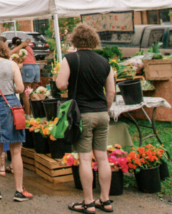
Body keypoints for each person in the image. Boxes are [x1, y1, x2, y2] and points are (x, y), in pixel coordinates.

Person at [56, 24, 115, 213]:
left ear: (75, 40)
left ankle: (88, 202)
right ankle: (105, 200)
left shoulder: (71, 58)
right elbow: (111, 91)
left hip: (82, 114)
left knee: (84, 159)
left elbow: (61, 85)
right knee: (102, 158)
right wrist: (104, 109)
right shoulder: (104, 62)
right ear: (93, 40)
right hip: (101, 114)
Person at [0, 39, 33, 202]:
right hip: (11, 104)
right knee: (16, 150)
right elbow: (20, 88)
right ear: (4, 50)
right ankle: (18, 190)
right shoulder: (12, 64)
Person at [10, 37, 40, 113]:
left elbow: (13, 57)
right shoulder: (29, 48)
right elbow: (34, 58)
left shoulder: (17, 49)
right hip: (36, 67)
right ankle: (35, 113)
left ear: (13, 43)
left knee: (25, 94)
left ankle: (28, 114)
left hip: (27, 68)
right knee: (32, 93)